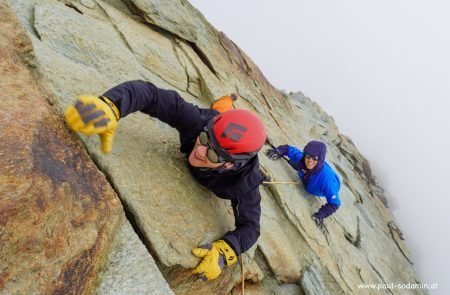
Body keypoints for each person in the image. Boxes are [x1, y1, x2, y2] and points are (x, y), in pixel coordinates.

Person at [64, 80, 266, 281]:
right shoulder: (200, 123)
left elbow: (250, 228)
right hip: (217, 115)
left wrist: (224, 252)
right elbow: (149, 94)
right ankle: (228, 99)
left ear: (231, 166)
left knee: (221, 109)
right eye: (204, 139)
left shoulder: (244, 184)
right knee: (220, 107)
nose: (200, 151)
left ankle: (228, 101)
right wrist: (111, 105)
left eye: (214, 155)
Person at [265, 141, 341, 228]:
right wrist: (278, 151)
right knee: (297, 164)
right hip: (308, 175)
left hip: (319, 185)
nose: (310, 160)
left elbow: (335, 203)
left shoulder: (327, 182)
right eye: (308, 156)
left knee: (299, 167)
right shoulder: (302, 159)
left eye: (314, 158)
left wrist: (320, 215)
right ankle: (301, 169)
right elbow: (288, 149)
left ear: (319, 160)